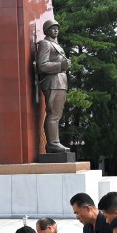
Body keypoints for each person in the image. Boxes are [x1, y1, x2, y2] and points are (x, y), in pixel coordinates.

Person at [35, 19, 70, 153]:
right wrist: (61, 66)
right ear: (47, 30)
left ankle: (55, 142)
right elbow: (42, 65)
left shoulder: (57, 45)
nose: (56, 30)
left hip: (61, 82)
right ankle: (53, 144)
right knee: (53, 114)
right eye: (52, 28)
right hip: (52, 82)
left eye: (57, 28)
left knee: (57, 114)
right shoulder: (45, 44)